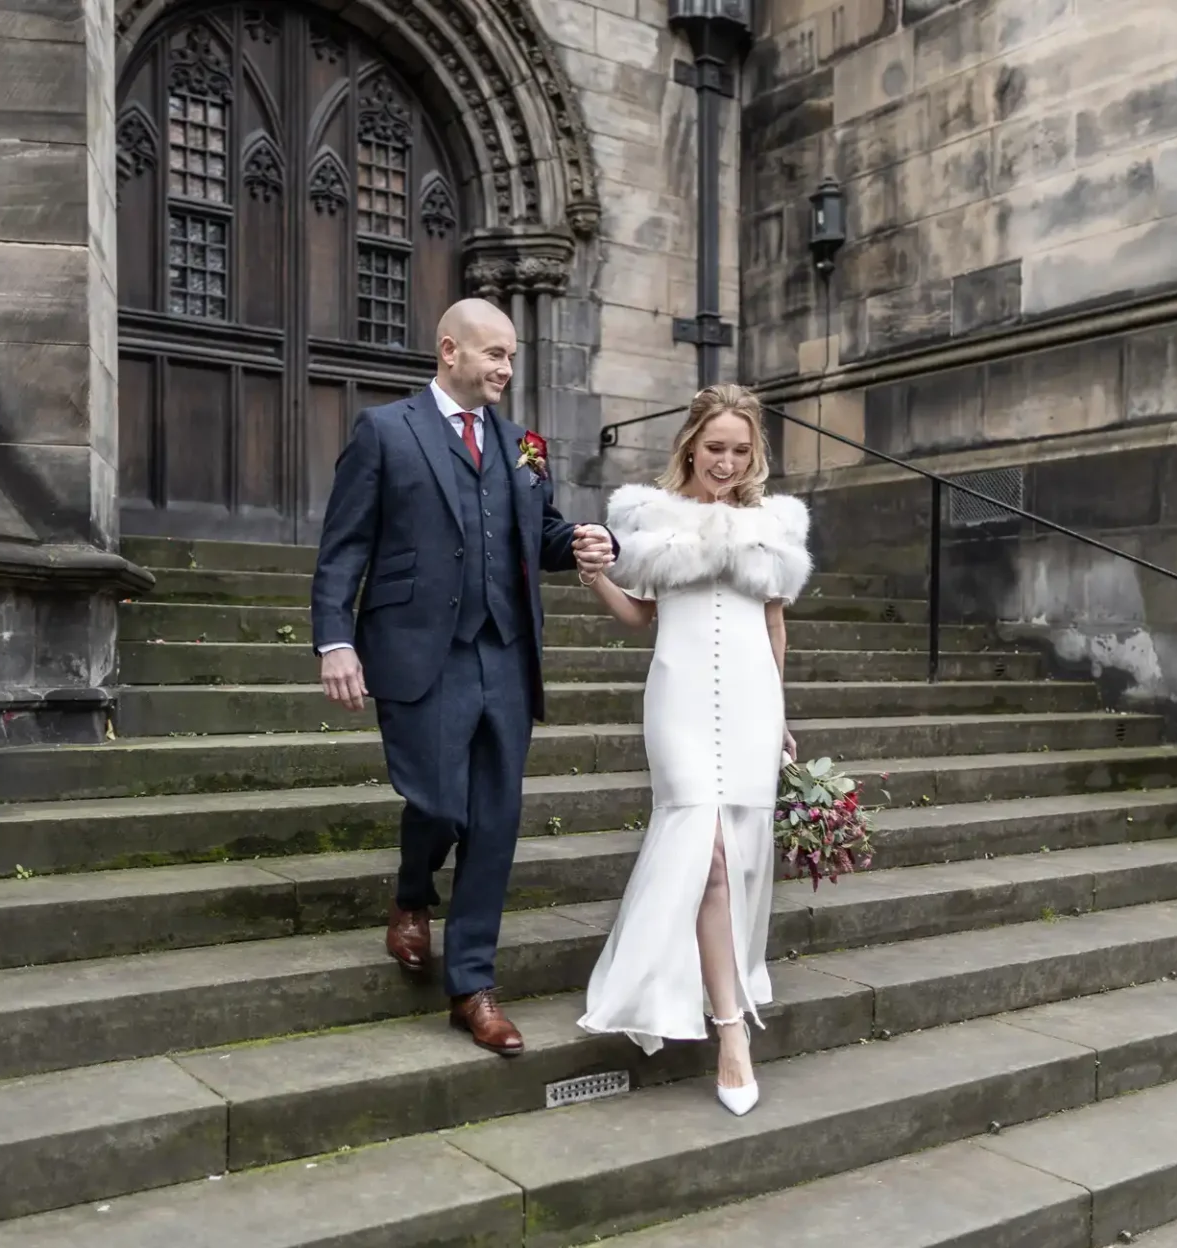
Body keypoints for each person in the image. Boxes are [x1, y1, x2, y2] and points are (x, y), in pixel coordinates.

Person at [310, 298, 616, 1056]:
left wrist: (579, 539)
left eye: (511, 356)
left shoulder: (525, 445)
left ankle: (472, 986)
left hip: (504, 653)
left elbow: (537, 533)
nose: (507, 369)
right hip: (420, 649)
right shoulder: (386, 431)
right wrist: (334, 641)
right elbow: (344, 545)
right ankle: (412, 896)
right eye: (494, 355)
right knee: (440, 804)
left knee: (496, 820)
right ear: (450, 350)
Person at [574, 384, 811, 1116]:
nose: (728, 463)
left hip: (749, 700)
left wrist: (781, 718)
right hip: (677, 700)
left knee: (734, 859)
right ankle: (731, 1033)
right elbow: (640, 616)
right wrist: (596, 576)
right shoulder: (648, 516)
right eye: (716, 449)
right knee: (704, 852)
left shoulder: (774, 523)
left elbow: (774, 625)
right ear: (690, 444)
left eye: (741, 451)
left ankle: (722, 1004)